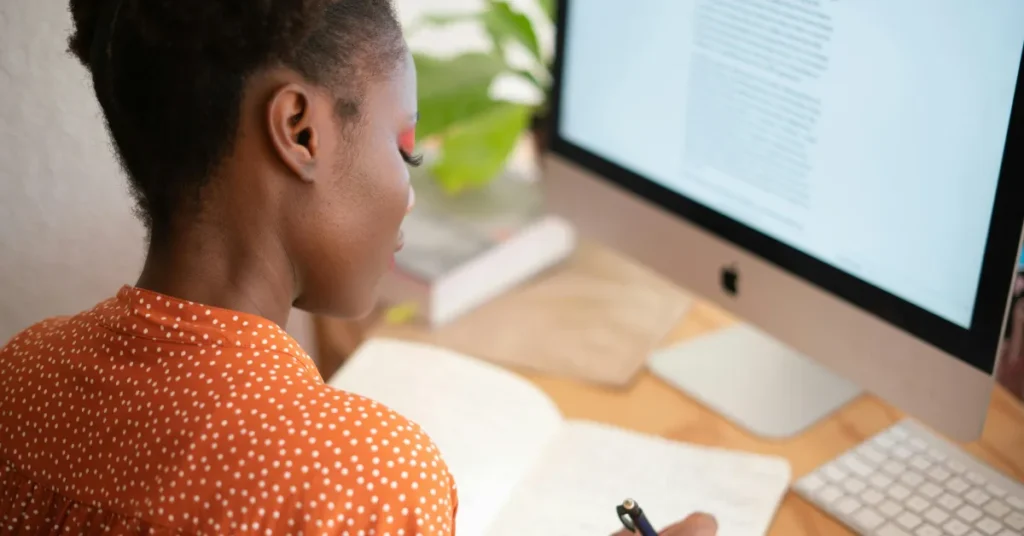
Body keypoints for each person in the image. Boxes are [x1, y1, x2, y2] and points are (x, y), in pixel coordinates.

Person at [0, 0, 717, 534]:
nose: (408, 192)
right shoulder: (366, 480)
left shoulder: (20, 380)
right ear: (299, 131)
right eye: (403, 149)